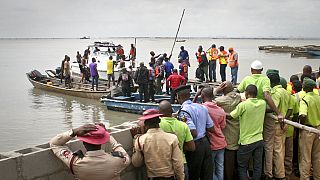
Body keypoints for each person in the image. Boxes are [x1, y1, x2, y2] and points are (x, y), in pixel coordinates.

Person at [50, 123, 130, 180]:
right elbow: (126, 157)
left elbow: (55, 144)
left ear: (84, 142)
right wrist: (106, 134)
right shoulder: (117, 161)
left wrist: (74, 131)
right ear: (102, 141)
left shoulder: (75, 162)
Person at [131, 110, 185, 180]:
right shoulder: (172, 138)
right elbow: (178, 164)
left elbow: (136, 163)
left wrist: (135, 140)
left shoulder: (140, 140)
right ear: (159, 121)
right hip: (169, 177)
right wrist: (181, 178)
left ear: (145, 124)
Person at [176, 85, 214, 180]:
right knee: (207, 174)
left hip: (195, 146)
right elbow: (211, 127)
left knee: (194, 174)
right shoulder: (202, 107)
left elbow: (193, 133)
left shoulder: (183, 112)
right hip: (206, 144)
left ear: (179, 97)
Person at [230, 84, 266, 180]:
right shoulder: (262, 103)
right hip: (259, 140)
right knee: (257, 167)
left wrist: (219, 112)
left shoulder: (243, 105)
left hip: (246, 142)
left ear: (247, 93)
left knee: (242, 167)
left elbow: (231, 116)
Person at [158, 101, 195, 179]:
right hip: (181, 162)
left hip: (164, 165)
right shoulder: (183, 125)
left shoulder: (157, 125)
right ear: (172, 111)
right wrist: (180, 146)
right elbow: (192, 147)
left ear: (159, 113)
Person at [266, 69, 292, 179]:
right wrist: (284, 120)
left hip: (275, 124)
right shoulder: (287, 92)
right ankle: (280, 173)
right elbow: (290, 109)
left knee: (273, 150)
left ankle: (276, 174)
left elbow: (273, 108)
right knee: (281, 149)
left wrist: (260, 107)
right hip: (283, 124)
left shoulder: (275, 93)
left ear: (270, 82)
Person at [214, 81, 241, 180]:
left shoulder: (221, 100)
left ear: (223, 89)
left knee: (228, 160)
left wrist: (216, 90)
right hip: (238, 131)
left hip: (227, 133)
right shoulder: (238, 97)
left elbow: (207, 100)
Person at [200, 87, 227, 180]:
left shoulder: (202, 108)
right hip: (221, 142)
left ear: (202, 96)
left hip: (210, 143)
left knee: (210, 169)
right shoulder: (221, 110)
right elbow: (223, 126)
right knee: (220, 167)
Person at [298, 78, 320, 180]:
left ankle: (305, 178)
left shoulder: (305, 99)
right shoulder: (318, 98)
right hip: (318, 130)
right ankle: (317, 177)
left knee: (305, 157)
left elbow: (303, 115)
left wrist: (301, 124)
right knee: (317, 157)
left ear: (304, 88)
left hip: (308, 130)